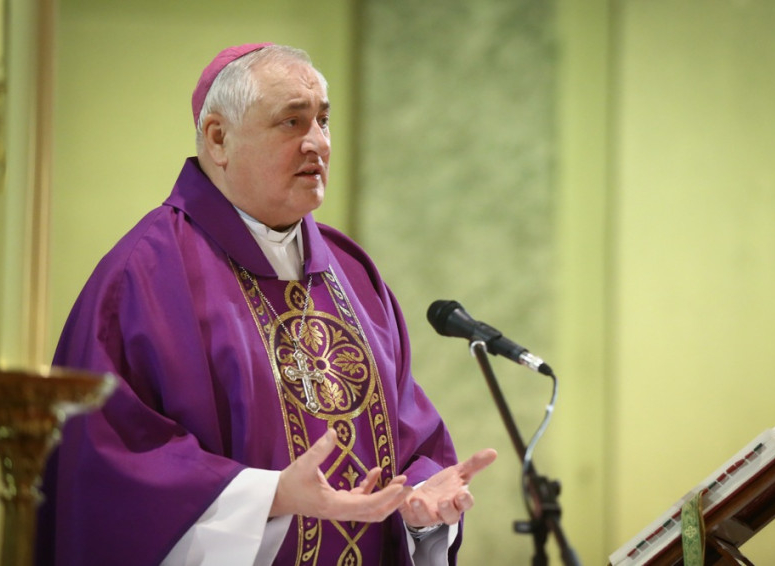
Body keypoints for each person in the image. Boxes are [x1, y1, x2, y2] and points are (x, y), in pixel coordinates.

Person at [37, 43, 497, 566]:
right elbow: (111, 470)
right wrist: (272, 496)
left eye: (323, 120)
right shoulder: (141, 277)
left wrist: (420, 505)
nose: (317, 142)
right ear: (219, 138)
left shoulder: (352, 273)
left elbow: (411, 437)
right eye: (292, 122)